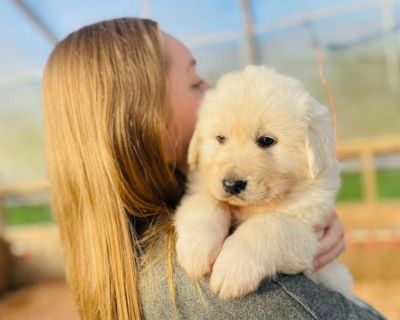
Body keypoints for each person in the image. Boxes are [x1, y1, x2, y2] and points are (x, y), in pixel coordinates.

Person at [41, 18, 385, 319]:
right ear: (142, 122)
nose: (212, 90)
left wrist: (300, 227)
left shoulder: (117, 259)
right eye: (194, 82)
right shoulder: (215, 296)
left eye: (266, 141)